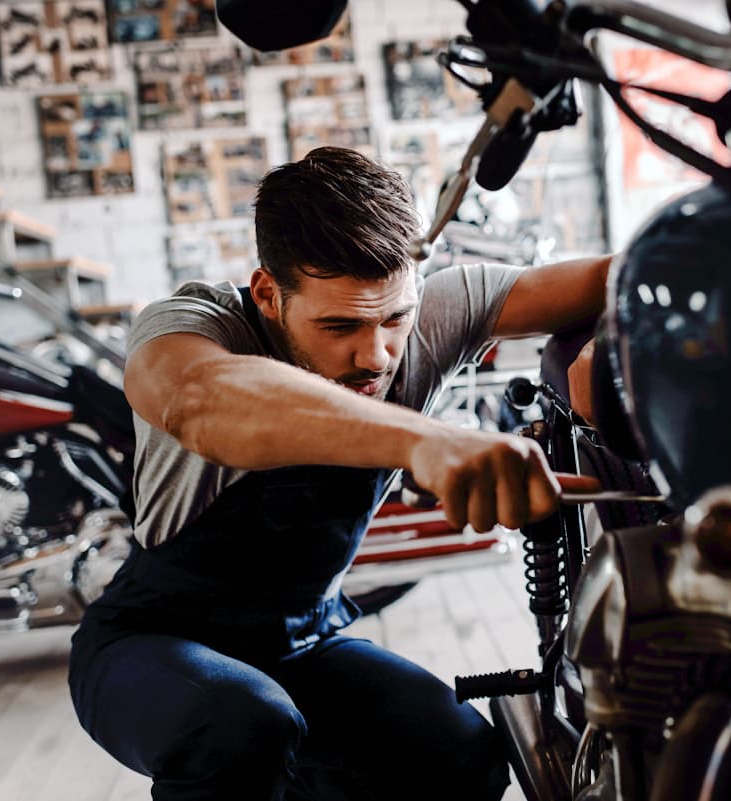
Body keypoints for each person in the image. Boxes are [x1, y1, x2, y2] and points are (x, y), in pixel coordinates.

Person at [68, 146, 609, 801]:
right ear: (269, 293)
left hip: (300, 642)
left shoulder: (437, 312)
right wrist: (426, 441)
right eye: (339, 325)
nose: (377, 354)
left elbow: (624, 276)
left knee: (460, 753)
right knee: (244, 725)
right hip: (147, 644)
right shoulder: (198, 324)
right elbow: (197, 398)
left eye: (395, 318)